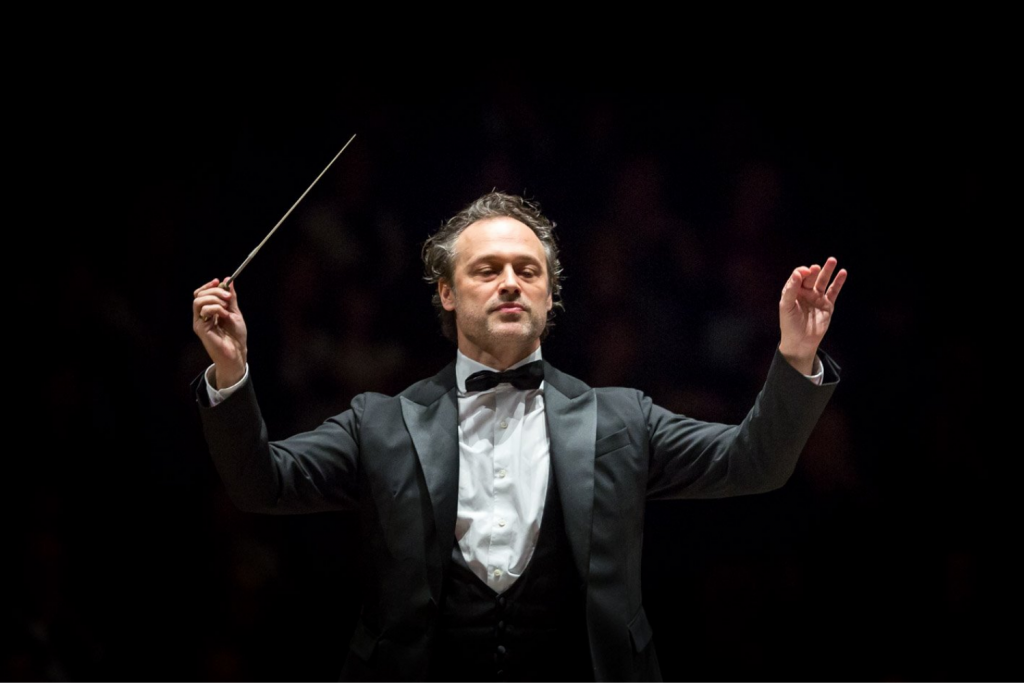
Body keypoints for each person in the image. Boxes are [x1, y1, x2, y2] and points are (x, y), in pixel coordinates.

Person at [191, 191, 846, 681]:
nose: (510, 282)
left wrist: (795, 356)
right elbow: (261, 483)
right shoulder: (380, 422)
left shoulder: (623, 419)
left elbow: (754, 463)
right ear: (447, 293)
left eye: (528, 271)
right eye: (487, 269)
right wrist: (230, 372)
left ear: (550, 296)